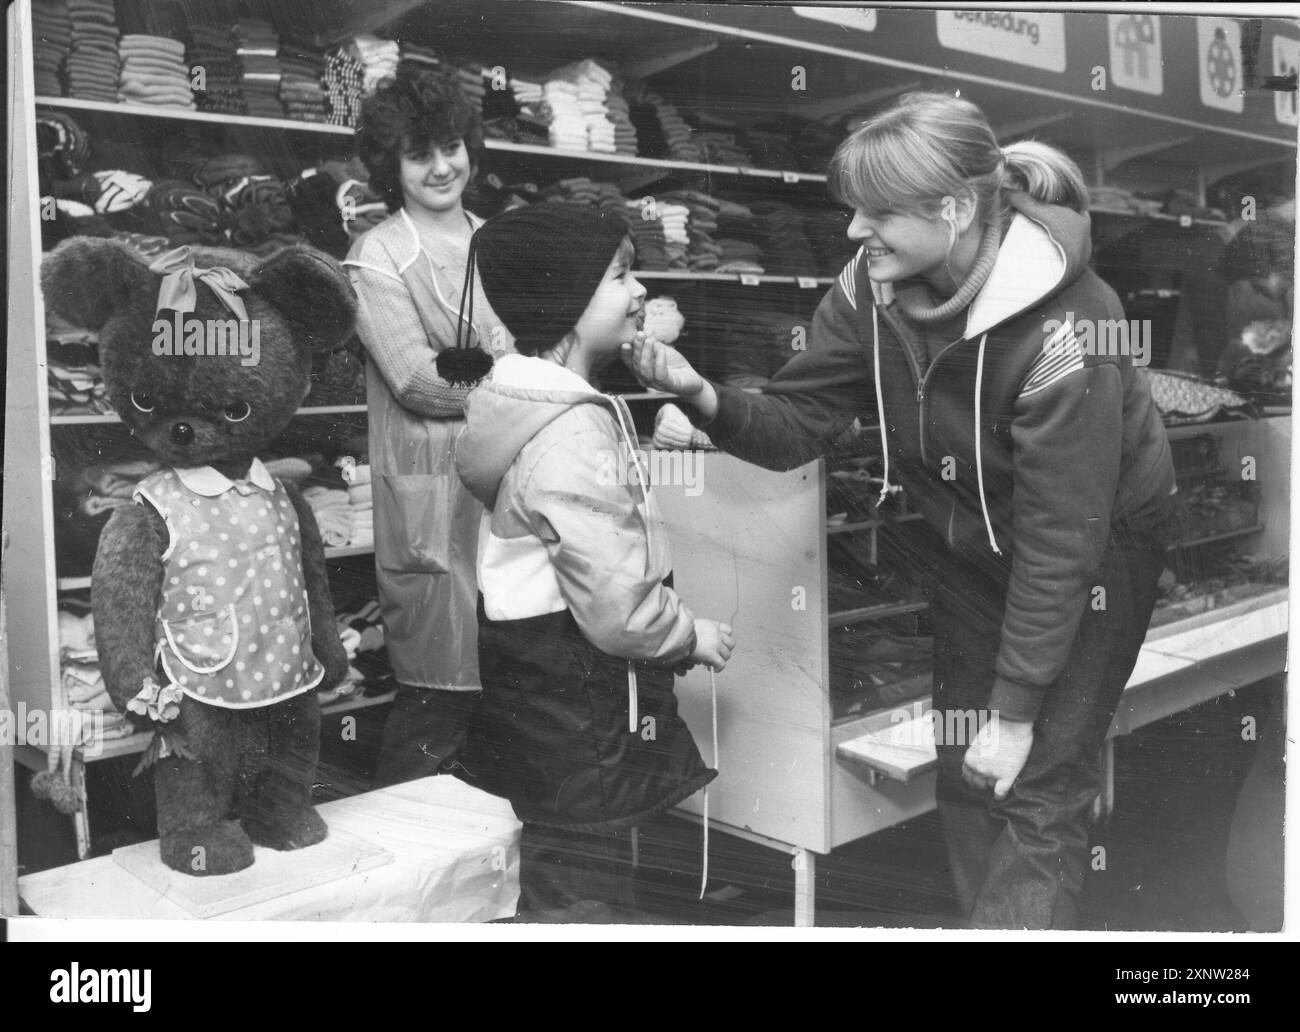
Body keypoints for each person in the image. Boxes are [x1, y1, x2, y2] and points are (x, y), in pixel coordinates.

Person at [624, 92, 1177, 929]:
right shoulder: (870, 288)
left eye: (876, 214)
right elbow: (798, 425)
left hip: (1096, 551)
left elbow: (1062, 539)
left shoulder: (1072, 326)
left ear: (954, 212)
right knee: (966, 766)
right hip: (968, 536)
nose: (854, 233)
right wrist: (704, 396)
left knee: (1034, 779)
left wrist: (1018, 711)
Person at [454, 203, 735, 916]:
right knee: (582, 896)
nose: (640, 290)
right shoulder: (572, 429)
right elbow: (616, 607)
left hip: (543, 701)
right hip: (580, 710)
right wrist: (689, 634)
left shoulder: (525, 407)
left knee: (570, 873)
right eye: (620, 275)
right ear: (567, 301)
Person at [344, 67, 513, 786]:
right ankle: (408, 874)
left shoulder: (498, 238)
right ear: (393, 165)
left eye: (451, 146)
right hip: (432, 500)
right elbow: (416, 378)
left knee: (511, 682)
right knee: (436, 696)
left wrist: (493, 372)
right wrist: (514, 380)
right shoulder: (376, 255)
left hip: (506, 482)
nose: (442, 166)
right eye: (420, 154)